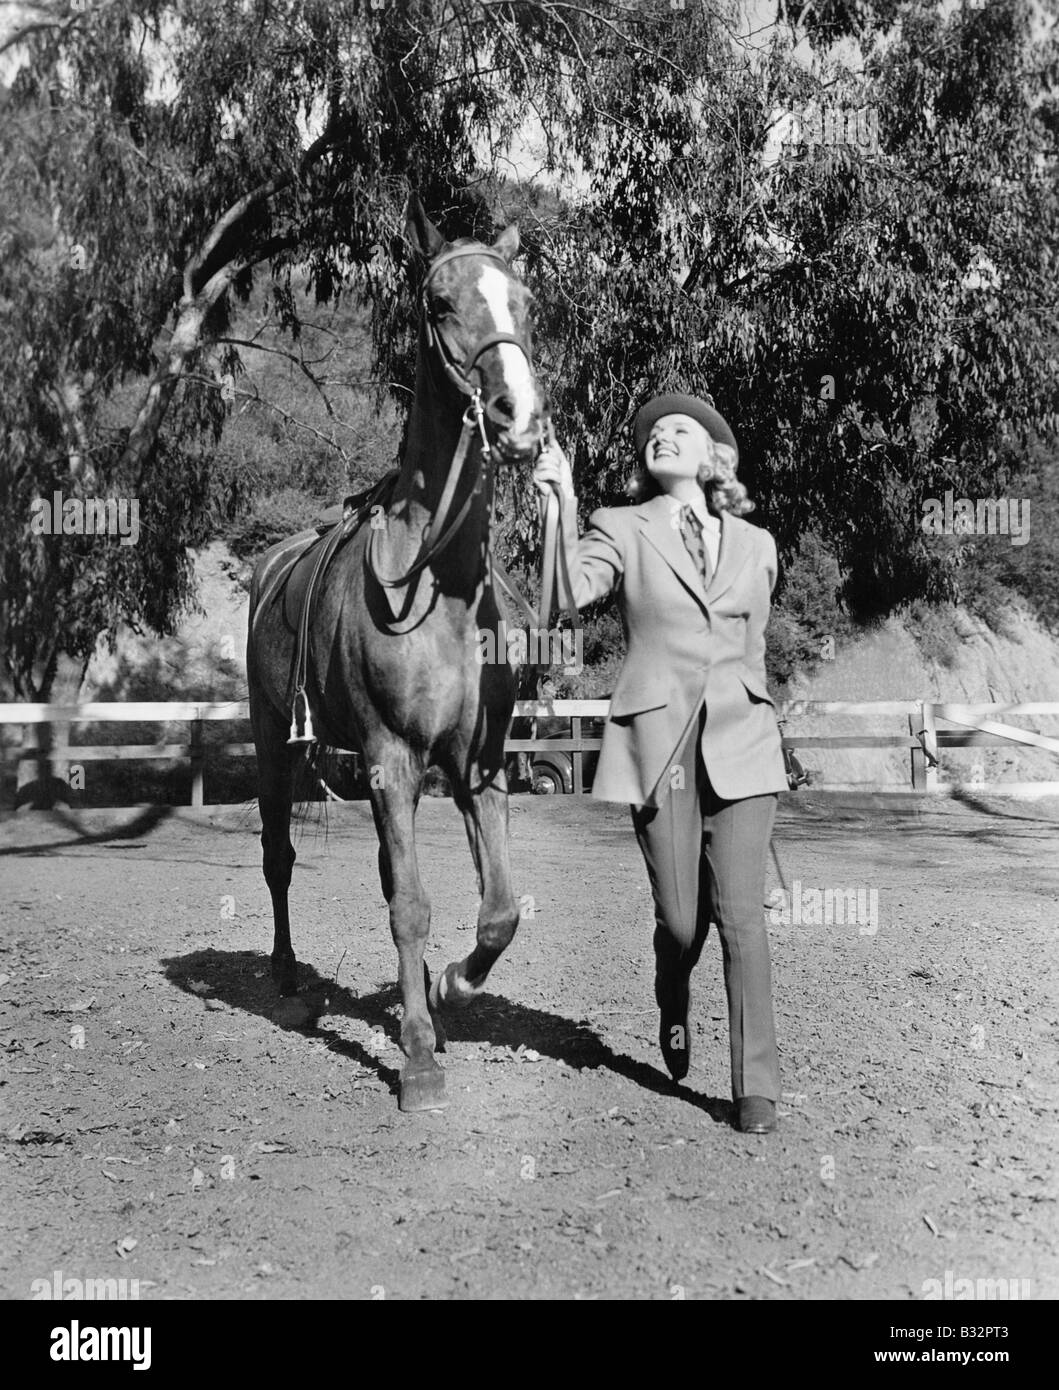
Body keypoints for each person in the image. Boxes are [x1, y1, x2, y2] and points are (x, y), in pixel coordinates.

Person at [533, 394, 788, 1134]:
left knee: (740, 916)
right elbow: (563, 595)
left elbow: (753, 646)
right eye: (650, 434)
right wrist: (560, 500)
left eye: (679, 430)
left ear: (713, 456)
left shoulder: (757, 544)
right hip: (660, 745)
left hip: (742, 743)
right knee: (681, 924)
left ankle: (755, 1090)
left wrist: (762, 721)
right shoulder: (620, 526)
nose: (660, 437)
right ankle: (670, 995)